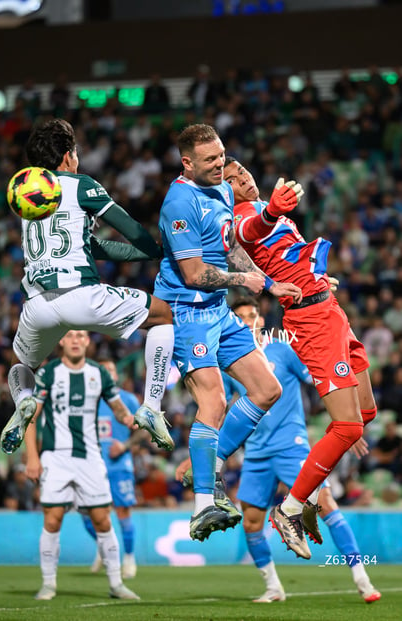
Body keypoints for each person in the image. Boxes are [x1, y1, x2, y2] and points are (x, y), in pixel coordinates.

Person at [176, 297, 380, 604]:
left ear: (259, 319)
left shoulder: (282, 349)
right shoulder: (230, 360)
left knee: (324, 504)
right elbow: (222, 409)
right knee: (252, 521)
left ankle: (362, 578)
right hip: (257, 452)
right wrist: (198, 457)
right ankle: (273, 587)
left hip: (290, 445)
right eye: (240, 316)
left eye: (251, 315)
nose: (247, 321)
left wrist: (346, 419)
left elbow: (319, 380)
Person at [153, 124, 303, 541]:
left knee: (266, 389)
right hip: (187, 312)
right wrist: (245, 281)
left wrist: (270, 282)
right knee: (214, 402)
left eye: (222, 156)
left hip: (217, 310)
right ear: (188, 163)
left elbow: (232, 244)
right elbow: (195, 272)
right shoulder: (179, 202)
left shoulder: (220, 188)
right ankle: (204, 504)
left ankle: (208, 466)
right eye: (211, 160)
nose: (221, 166)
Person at [223, 157, 377, 559]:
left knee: (365, 414)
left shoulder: (262, 209)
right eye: (233, 180)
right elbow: (250, 231)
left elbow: (286, 255)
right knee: (347, 427)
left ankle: (303, 497)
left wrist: (314, 279)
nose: (244, 180)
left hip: (329, 308)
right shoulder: (239, 217)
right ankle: (290, 510)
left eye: (244, 173)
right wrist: (272, 209)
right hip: (310, 321)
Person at [1, 118, 174, 457]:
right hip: (81, 293)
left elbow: (92, 246)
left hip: (37, 305)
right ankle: (152, 404)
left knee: (20, 365)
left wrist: (145, 255)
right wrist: (154, 248)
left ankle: (24, 401)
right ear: (69, 155)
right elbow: (128, 228)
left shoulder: (26, 195)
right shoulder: (81, 185)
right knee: (163, 315)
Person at [25, 330, 140, 601]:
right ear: (62, 342)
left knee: (102, 519)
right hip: (56, 457)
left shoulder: (99, 373)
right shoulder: (48, 373)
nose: (76, 340)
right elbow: (31, 417)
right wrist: (32, 456)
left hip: (90, 457)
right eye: (70, 336)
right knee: (52, 520)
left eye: (81, 336)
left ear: (87, 341)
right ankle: (49, 584)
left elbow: (119, 409)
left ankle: (116, 583)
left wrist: (132, 419)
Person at [82, 358, 142, 579]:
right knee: (87, 513)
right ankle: (103, 546)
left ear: (116, 375)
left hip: (119, 466)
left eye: (110, 370)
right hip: (92, 466)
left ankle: (128, 558)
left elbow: (143, 430)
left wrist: (125, 445)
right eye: (102, 370)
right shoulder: (88, 401)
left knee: (123, 511)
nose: (107, 374)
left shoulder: (127, 400)